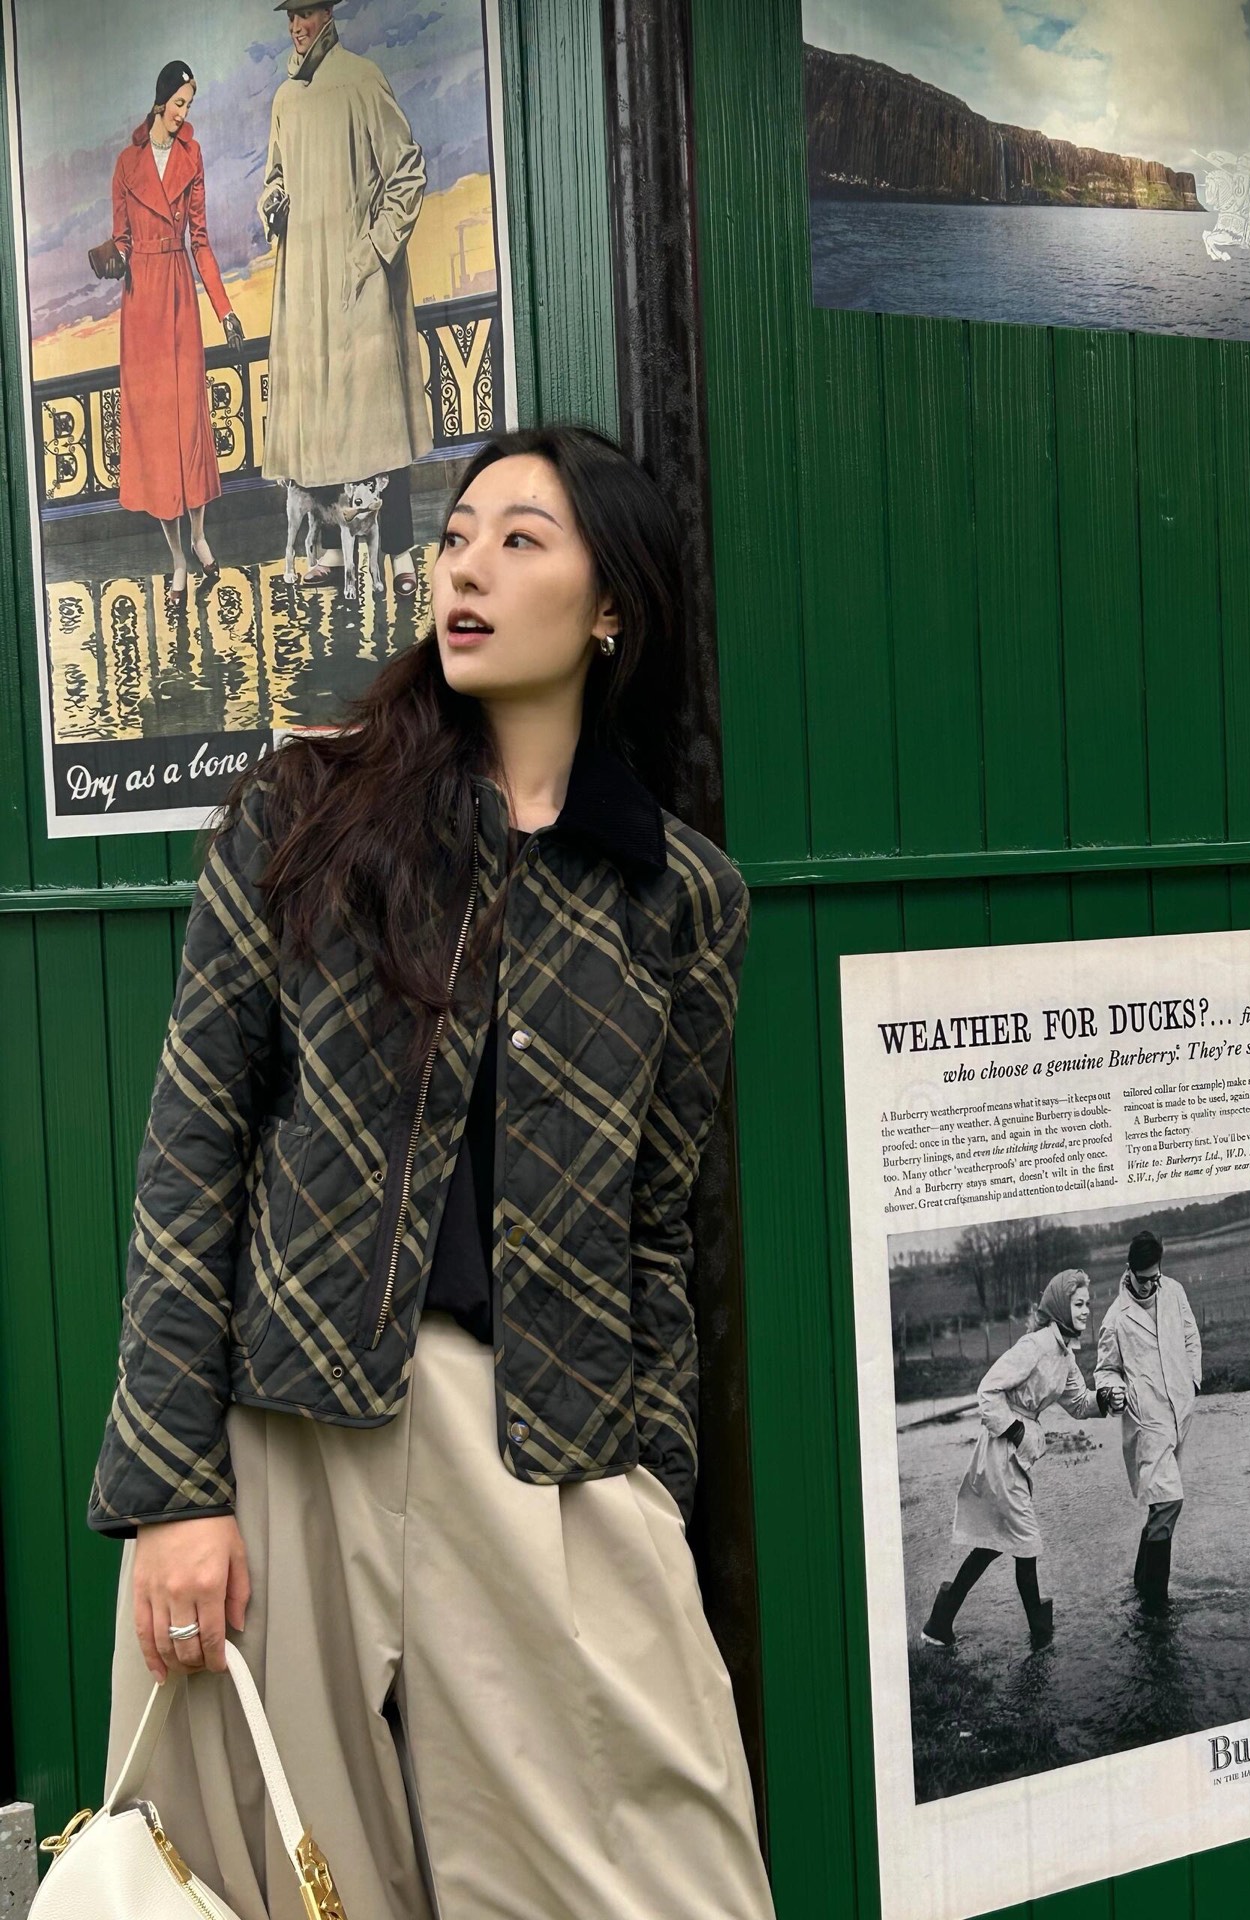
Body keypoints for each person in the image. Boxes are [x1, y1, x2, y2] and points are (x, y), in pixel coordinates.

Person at [89, 425, 776, 1920]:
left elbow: (657, 1230)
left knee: (672, 1881)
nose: (467, 567)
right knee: (285, 1883)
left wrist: (650, 1493)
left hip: (551, 1451)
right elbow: (192, 1149)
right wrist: (170, 1491)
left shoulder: (681, 899)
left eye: (521, 540)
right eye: (457, 536)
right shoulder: (304, 812)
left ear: (612, 608)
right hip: (294, 1433)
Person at [259, 2, 431, 598]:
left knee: (375, 415)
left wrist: (373, 252)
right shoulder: (285, 100)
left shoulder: (361, 78)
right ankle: (331, 552)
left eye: (305, 13)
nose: (296, 27)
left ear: (327, 14)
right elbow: (274, 177)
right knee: (322, 413)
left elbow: (407, 172)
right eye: (291, 17)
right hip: (306, 284)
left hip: (359, 278)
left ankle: (401, 553)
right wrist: (273, 203)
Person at [921, 1270, 1122, 1651]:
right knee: (1026, 1542)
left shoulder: (1064, 1354)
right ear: (1061, 1306)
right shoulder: (1034, 1347)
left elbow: (1080, 1403)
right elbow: (987, 1391)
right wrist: (1015, 1431)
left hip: (1016, 1454)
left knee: (997, 1541)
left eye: (1088, 1304)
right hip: (1001, 1451)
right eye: (1079, 1304)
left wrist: (1104, 1399)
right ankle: (1041, 1636)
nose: (1086, 1311)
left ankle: (940, 1622)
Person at [111, 60, 245, 614]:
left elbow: (202, 241)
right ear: (162, 100)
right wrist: (115, 256)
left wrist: (225, 311)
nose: (185, 113)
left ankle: (199, 536)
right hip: (142, 305)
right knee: (158, 437)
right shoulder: (127, 163)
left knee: (190, 425)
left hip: (181, 302)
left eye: (190, 104)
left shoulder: (193, 155)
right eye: (180, 103)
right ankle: (178, 561)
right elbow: (121, 237)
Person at [1095, 1229, 1203, 1610]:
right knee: (1169, 1500)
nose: (1151, 1286)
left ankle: (1141, 1586)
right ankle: (1157, 1605)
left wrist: (1193, 1380)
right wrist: (1113, 1391)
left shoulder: (1174, 1292)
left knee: (1160, 1505)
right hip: (1147, 1421)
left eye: (1156, 1277)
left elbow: (1191, 1337)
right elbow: (1105, 1370)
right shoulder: (1115, 1319)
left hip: (1179, 1411)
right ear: (1129, 1271)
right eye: (1144, 1280)